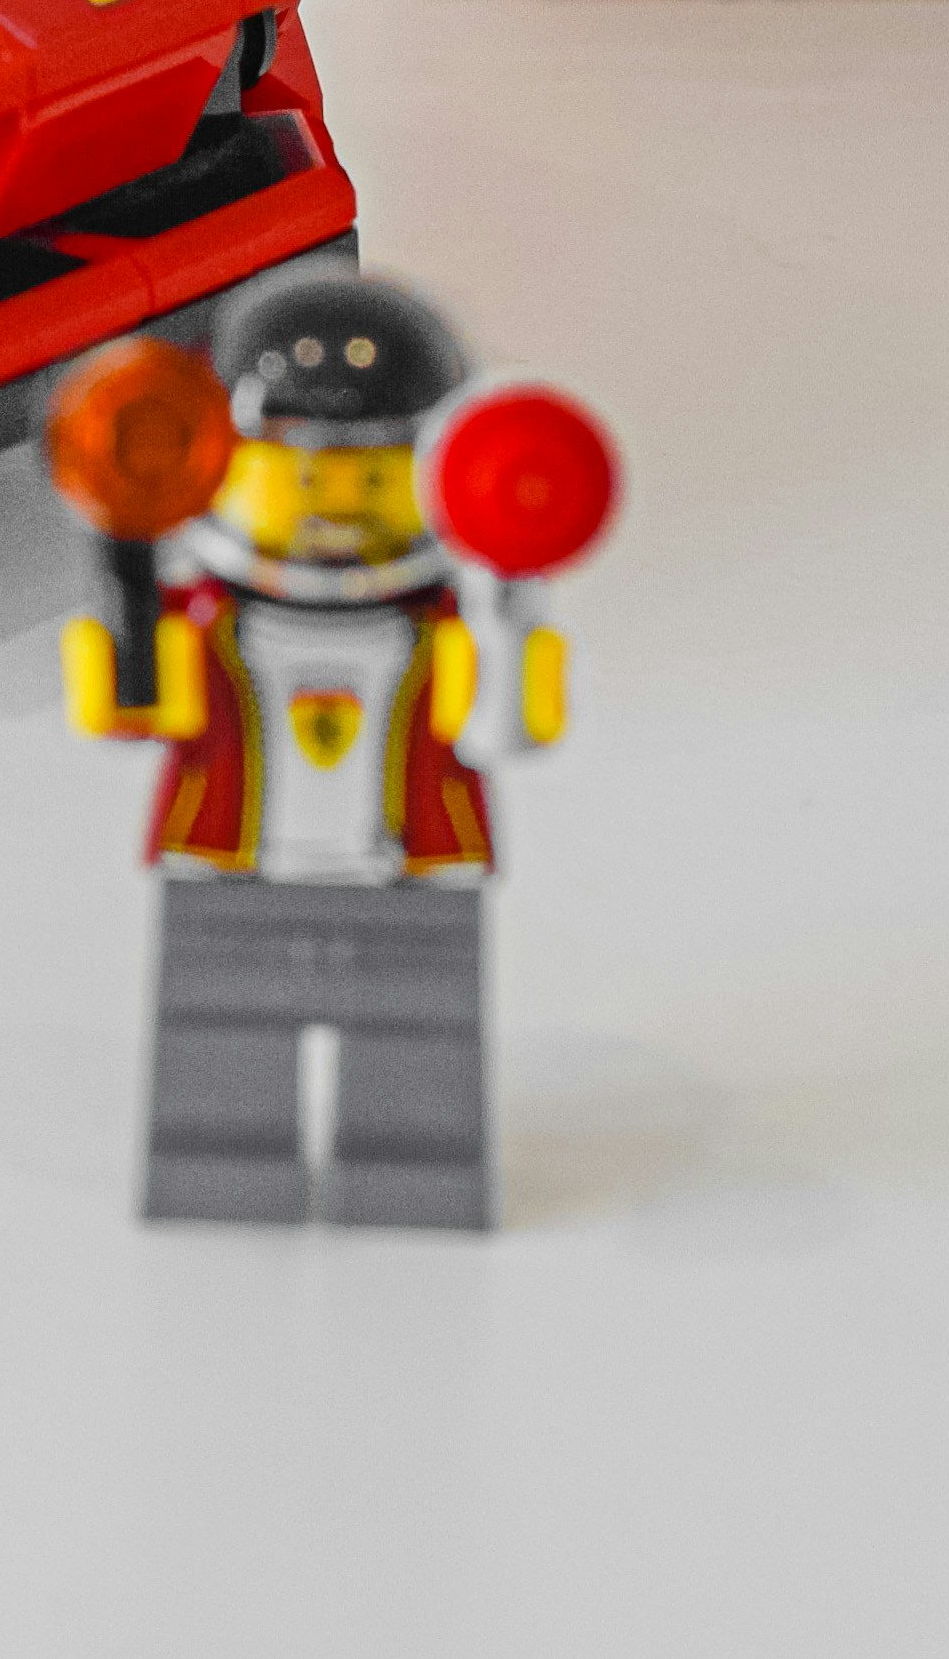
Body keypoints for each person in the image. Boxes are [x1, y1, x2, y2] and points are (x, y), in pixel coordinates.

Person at [56, 268, 592, 1229]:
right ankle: (218, 1172)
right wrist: (123, 572)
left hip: (415, 873)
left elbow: (505, 728)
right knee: (216, 1081)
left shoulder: (452, 623)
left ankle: (413, 1176)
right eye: (301, 472)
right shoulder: (202, 617)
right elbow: (127, 713)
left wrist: (508, 596)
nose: (333, 507)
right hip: (225, 869)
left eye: (371, 476)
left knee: (417, 1075)